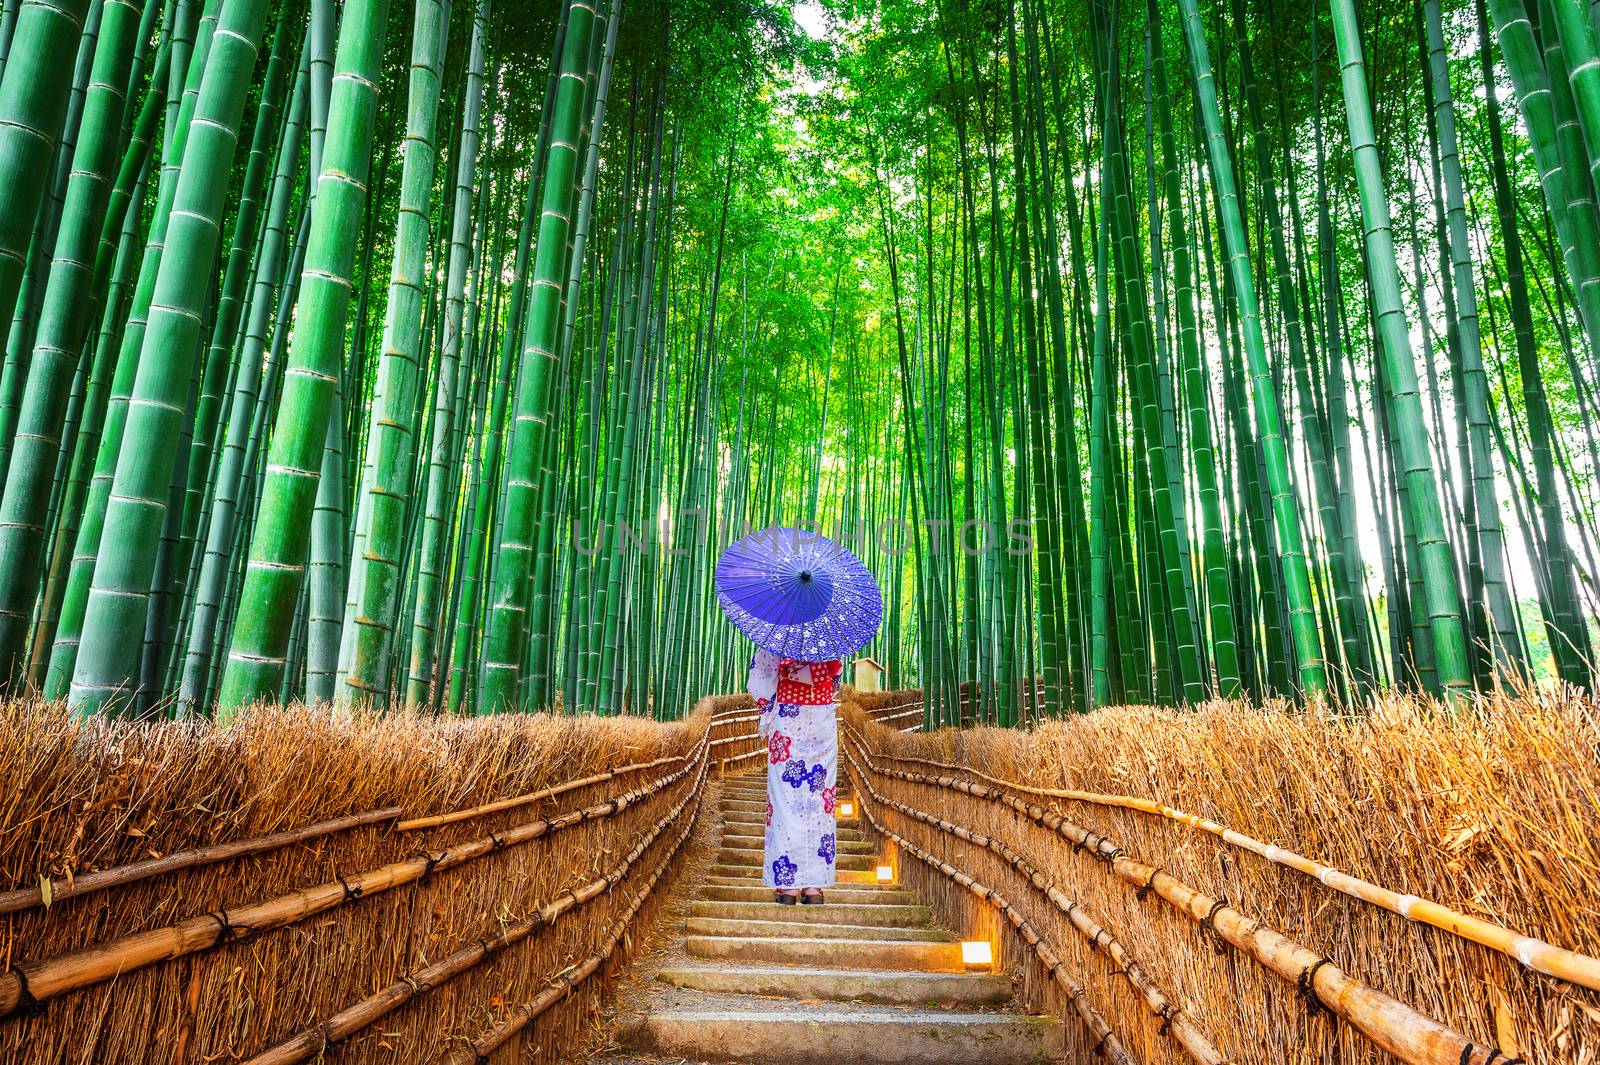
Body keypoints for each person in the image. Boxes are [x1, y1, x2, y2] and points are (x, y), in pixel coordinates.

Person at [746, 647, 841, 904]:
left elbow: (760, 683)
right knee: (820, 800)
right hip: (822, 719)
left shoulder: (780, 633)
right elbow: (835, 682)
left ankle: (787, 886)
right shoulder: (828, 635)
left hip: (788, 717)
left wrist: (767, 714)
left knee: (786, 801)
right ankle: (814, 887)